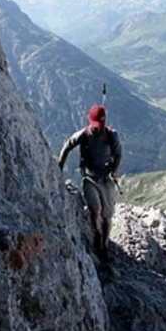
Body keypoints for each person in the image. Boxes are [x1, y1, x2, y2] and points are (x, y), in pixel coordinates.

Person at [58, 104, 122, 262]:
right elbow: (67, 146)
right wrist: (58, 168)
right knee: (95, 210)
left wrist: (114, 169)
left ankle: (104, 245)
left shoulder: (111, 135)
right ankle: (97, 239)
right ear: (90, 121)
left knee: (107, 215)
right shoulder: (83, 134)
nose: (97, 129)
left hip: (106, 178)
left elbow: (118, 154)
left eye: (100, 125)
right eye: (95, 125)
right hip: (89, 177)